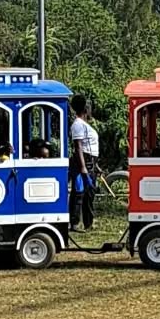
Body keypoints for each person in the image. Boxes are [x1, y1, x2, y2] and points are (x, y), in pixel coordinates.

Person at [69, 94, 99, 231]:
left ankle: (89, 222)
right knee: (79, 191)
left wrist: (96, 164)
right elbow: (79, 147)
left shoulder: (85, 125)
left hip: (91, 161)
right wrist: (83, 168)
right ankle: (74, 222)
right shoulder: (78, 125)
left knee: (89, 193)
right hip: (84, 162)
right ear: (85, 109)